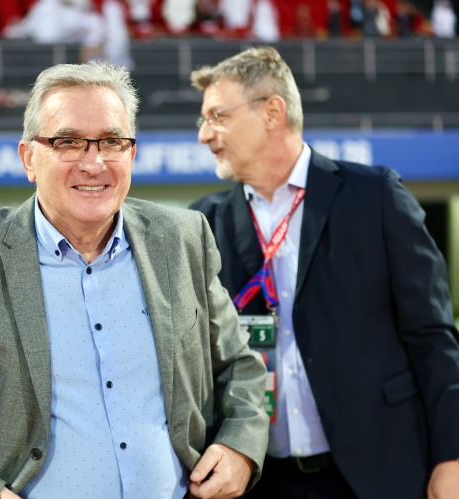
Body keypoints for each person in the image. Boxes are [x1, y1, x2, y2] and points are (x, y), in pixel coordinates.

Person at [0, 61, 269, 499]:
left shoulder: (183, 238)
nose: (94, 163)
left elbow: (239, 365)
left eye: (111, 141)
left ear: (132, 154)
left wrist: (240, 446)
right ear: (28, 158)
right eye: (68, 142)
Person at [188, 46, 459, 499]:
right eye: (203, 119)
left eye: (218, 116)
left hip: (379, 474)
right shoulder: (204, 224)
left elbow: (432, 337)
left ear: (272, 112)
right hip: (263, 482)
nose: (204, 134)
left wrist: (452, 456)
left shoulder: (374, 196)